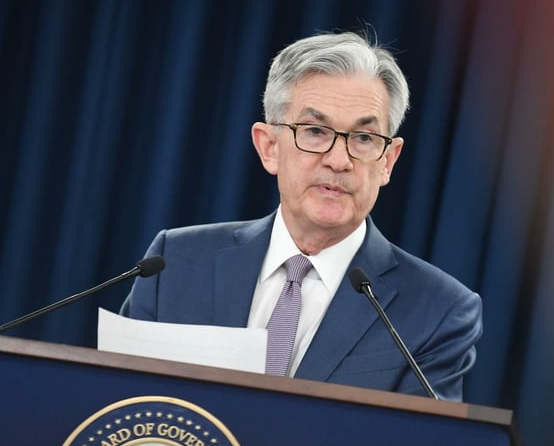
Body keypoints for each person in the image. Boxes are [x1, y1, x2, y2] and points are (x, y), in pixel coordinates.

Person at [120, 31, 482, 401]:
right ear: (269, 147)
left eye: (364, 138)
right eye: (315, 131)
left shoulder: (438, 310)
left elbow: (417, 438)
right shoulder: (174, 263)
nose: (339, 161)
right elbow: (121, 407)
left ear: (387, 161)